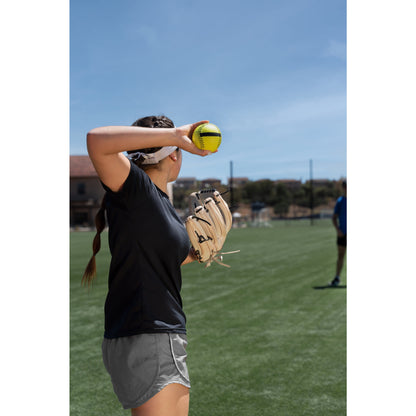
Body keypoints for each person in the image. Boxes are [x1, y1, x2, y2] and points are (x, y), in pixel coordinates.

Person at [82, 115, 211, 416]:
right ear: (174, 154)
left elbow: (154, 258)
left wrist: (198, 253)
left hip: (151, 332)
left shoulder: (156, 200)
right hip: (151, 333)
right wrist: (178, 134)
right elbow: (96, 140)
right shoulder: (137, 188)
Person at [330, 180, 347, 286]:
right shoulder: (340, 201)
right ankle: (337, 277)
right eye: (345, 186)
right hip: (343, 234)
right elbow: (334, 217)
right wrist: (338, 230)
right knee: (340, 255)